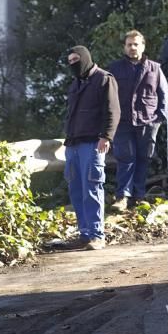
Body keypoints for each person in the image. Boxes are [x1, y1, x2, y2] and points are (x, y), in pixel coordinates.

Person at [64, 46, 120, 250]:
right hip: (72, 144)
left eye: (76, 59)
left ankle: (97, 235)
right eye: (70, 61)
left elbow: (113, 111)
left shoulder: (104, 79)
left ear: (86, 58)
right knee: (76, 190)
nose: (73, 63)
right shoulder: (75, 83)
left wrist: (106, 137)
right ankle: (85, 233)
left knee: (92, 187)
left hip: (92, 143)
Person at [109, 30, 168, 210]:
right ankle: (122, 197)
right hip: (123, 121)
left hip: (148, 121)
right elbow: (107, 95)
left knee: (144, 159)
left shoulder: (155, 68)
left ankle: (139, 196)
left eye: (136, 44)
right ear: (124, 47)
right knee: (125, 159)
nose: (133, 47)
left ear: (143, 46)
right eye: (129, 44)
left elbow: (164, 94)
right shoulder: (114, 68)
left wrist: (159, 119)